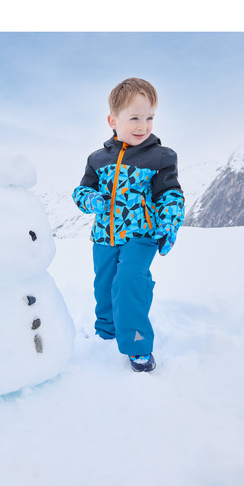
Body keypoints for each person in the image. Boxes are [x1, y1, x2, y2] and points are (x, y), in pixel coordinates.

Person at [72, 78, 185, 372]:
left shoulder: (160, 156)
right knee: (105, 285)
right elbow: (81, 191)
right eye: (134, 117)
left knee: (130, 280)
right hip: (103, 237)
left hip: (141, 235)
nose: (142, 126)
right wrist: (91, 200)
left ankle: (137, 345)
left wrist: (170, 224)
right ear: (113, 120)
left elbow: (170, 193)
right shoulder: (97, 159)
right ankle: (106, 333)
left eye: (149, 118)